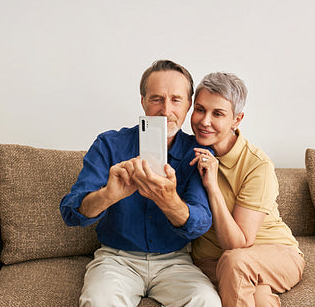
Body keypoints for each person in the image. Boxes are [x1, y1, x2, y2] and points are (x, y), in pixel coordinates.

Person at [60, 60, 221, 307]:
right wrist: (108, 195)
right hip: (117, 259)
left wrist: (169, 201)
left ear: (189, 104)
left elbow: (200, 222)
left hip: (175, 261)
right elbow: (71, 212)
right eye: (157, 99)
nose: (166, 110)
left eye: (176, 100)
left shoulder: (196, 152)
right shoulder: (109, 145)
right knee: (98, 302)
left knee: (206, 301)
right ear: (143, 101)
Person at [189, 72, 304, 307]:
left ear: (237, 120)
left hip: (274, 255)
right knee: (259, 298)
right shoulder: (186, 152)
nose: (204, 121)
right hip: (213, 262)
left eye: (218, 113)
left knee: (236, 261)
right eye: (200, 109)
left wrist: (212, 186)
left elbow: (237, 245)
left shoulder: (257, 166)